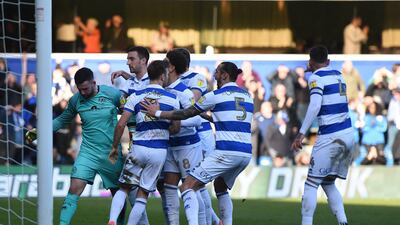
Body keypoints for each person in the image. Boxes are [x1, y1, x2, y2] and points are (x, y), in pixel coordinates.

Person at [141, 61, 253, 225]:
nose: (214, 75)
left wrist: (157, 112)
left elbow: (186, 113)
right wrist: (206, 117)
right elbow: (225, 119)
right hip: (245, 153)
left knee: (187, 186)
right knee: (221, 187)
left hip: (226, 151)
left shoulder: (215, 95)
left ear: (224, 75)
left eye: (217, 72)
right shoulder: (247, 96)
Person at [26, 67, 126, 225]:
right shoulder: (76, 100)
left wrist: (135, 139)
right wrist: (40, 131)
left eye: (86, 89)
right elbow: (61, 120)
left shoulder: (112, 94)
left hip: (111, 154)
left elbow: (129, 114)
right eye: (80, 89)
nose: (83, 93)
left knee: (119, 194)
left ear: (94, 82)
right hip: (88, 153)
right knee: (73, 191)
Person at [107, 60, 180, 225]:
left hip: (138, 148)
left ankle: (112, 220)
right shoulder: (172, 98)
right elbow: (176, 128)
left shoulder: (136, 95)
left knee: (124, 187)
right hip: (159, 151)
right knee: (143, 194)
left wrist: (114, 147)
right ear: (163, 76)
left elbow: (121, 124)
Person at [291, 45, 354, 225]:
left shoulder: (316, 77)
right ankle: (343, 222)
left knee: (311, 183)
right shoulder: (339, 75)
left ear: (310, 62)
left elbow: (315, 105)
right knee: (328, 182)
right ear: (328, 61)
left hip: (331, 136)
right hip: (348, 135)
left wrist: (301, 134)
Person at [175, 48, 220, 225]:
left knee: (196, 183)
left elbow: (191, 106)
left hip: (200, 134)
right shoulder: (173, 80)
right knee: (192, 184)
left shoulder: (197, 78)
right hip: (185, 135)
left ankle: (210, 221)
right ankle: (214, 221)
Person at [162, 50, 206, 225]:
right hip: (170, 146)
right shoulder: (164, 89)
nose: (163, 65)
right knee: (169, 188)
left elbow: (196, 119)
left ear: (172, 67)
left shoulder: (184, 91)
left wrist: (176, 119)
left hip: (188, 146)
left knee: (192, 190)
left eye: (166, 62)